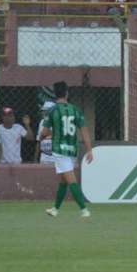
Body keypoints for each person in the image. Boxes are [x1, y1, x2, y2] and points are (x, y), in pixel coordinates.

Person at [41, 81, 94, 218]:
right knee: (63, 180)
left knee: (70, 179)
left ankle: (84, 210)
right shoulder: (75, 110)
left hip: (59, 149)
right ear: (66, 93)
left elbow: (44, 131)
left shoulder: (52, 111)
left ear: (54, 94)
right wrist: (89, 150)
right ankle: (55, 209)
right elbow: (84, 130)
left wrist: (42, 137)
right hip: (72, 149)